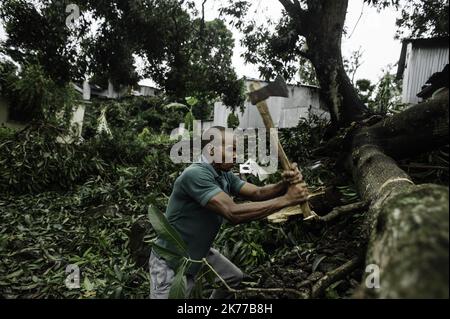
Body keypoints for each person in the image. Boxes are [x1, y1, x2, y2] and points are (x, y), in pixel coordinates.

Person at [149, 126, 308, 299]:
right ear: (211, 150)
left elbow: (258, 193)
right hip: (172, 260)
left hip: (198, 252)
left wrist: (283, 185)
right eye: (232, 149)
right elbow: (233, 213)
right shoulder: (195, 174)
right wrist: (286, 200)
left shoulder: (223, 174)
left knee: (232, 277)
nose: (236, 155)